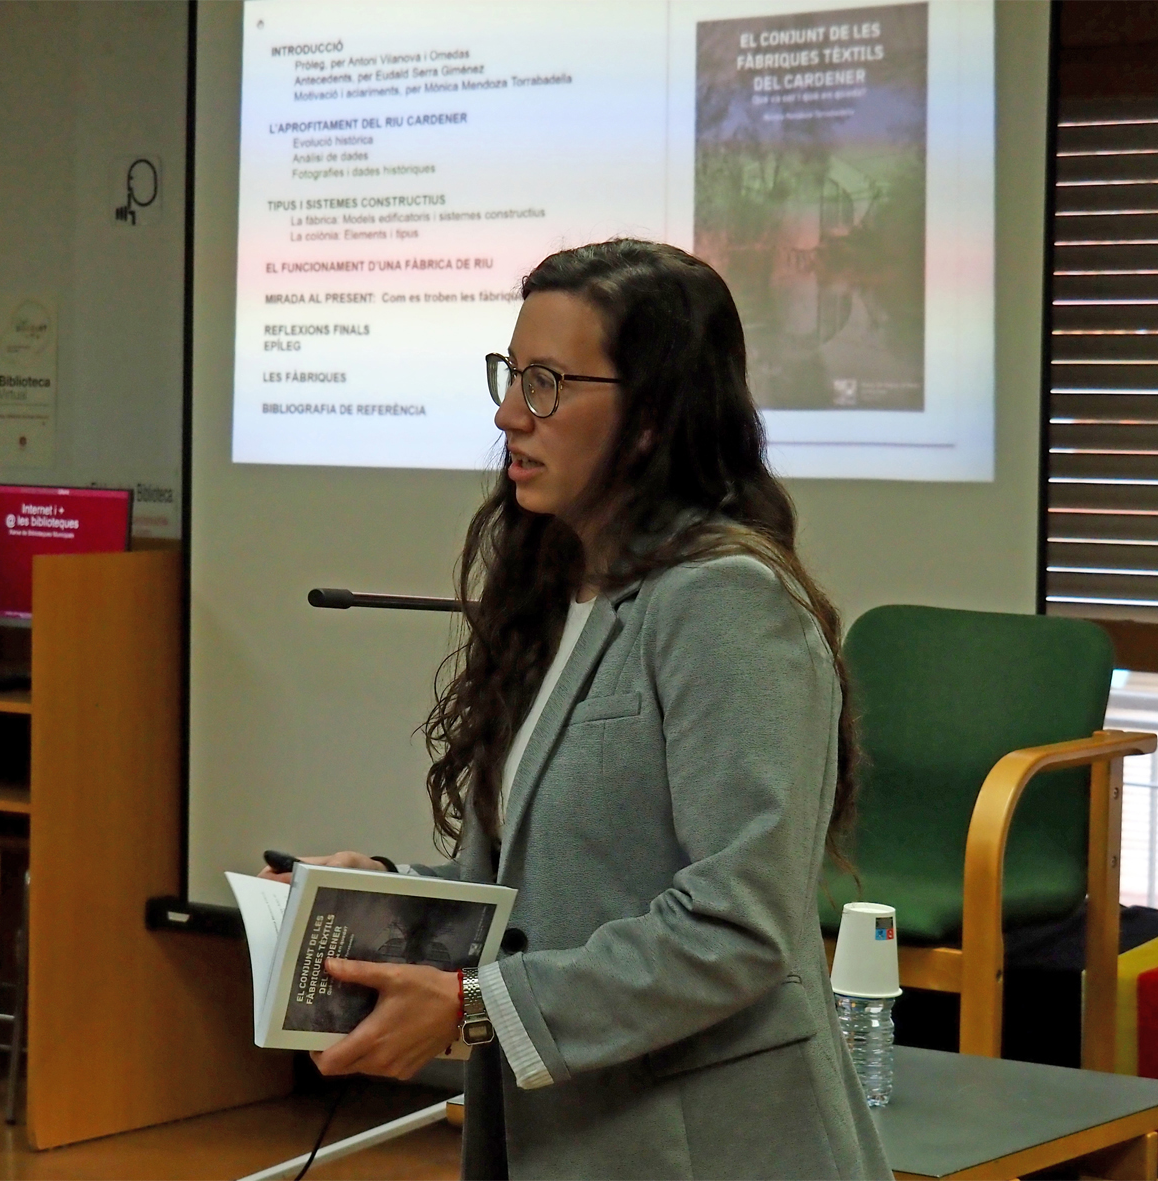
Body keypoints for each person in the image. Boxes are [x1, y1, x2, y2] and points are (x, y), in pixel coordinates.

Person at [262, 239, 892, 1179]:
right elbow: (548, 886)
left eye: (549, 383)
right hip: (567, 1135)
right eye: (512, 375)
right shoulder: (560, 595)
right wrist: (377, 896)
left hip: (707, 1145)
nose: (510, 412)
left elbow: (738, 925)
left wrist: (473, 1006)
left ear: (651, 417)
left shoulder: (726, 602)